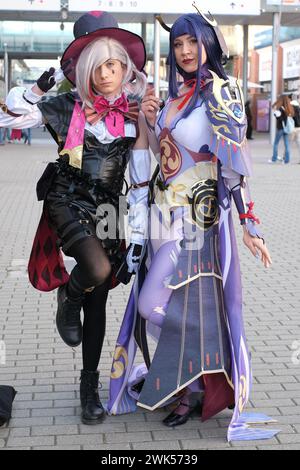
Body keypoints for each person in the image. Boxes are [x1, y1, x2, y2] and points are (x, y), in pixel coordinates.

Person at [107, 10, 279, 443]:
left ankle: (199, 378)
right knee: (172, 308)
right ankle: (191, 382)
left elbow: (232, 166)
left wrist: (249, 223)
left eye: (191, 42)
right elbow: (152, 161)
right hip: (162, 218)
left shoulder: (222, 94)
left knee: (151, 306)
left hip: (197, 225)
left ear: (209, 44)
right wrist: (147, 121)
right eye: (178, 44)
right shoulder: (174, 97)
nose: (184, 52)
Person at [0, 11, 150, 425]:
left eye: (114, 65)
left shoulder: (134, 112)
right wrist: (33, 90)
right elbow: (8, 119)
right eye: (99, 65)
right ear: (85, 68)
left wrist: (137, 230)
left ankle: (89, 388)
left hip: (107, 208)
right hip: (67, 198)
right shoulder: (65, 105)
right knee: (96, 268)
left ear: (125, 69)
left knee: (99, 297)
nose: (107, 74)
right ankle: (68, 296)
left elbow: (139, 174)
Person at [269, 94, 295, 164]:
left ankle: (274, 159)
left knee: (275, 143)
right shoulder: (289, 108)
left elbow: (280, 119)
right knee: (286, 144)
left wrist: (276, 114)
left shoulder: (280, 108)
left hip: (280, 128)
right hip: (286, 128)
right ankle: (286, 160)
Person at [290, 95, 300, 164]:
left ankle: (285, 157)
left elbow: (291, 118)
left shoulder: (291, 108)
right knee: (298, 143)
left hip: (293, 128)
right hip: (299, 128)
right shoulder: (298, 108)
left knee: (288, 143)